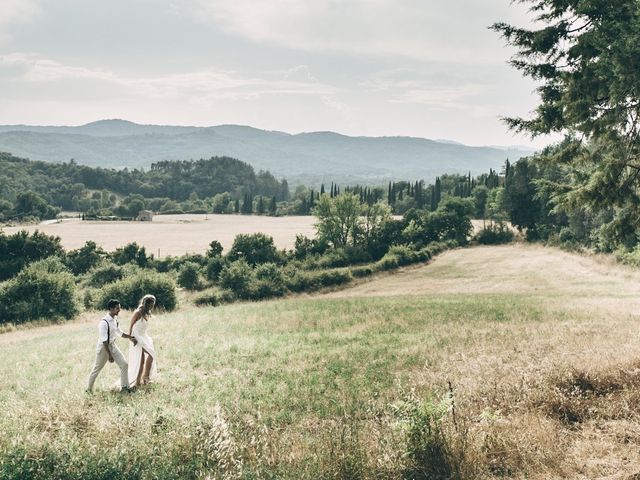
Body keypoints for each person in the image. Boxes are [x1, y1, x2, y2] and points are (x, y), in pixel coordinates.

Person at [87, 299, 137, 393]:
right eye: (117, 308)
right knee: (97, 369)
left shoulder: (115, 319)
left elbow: (119, 332)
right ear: (111, 309)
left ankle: (125, 388)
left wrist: (130, 337)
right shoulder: (103, 323)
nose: (119, 310)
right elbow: (104, 341)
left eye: (119, 308)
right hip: (104, 348)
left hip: (113, 345)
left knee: (124, 365)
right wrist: (109, 355)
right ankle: (88, 390)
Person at [128, 294, 158, 386]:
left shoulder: (147, 313)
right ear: (146, 303)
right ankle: (140, 380)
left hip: (144, 337)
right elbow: (131, 325)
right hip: (137, 337)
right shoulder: (138, 312)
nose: (152, 307)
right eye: (150, 305)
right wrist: (131, 338)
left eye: (153, 304)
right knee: (143, 359)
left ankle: (145, 378)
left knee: (147, 357)